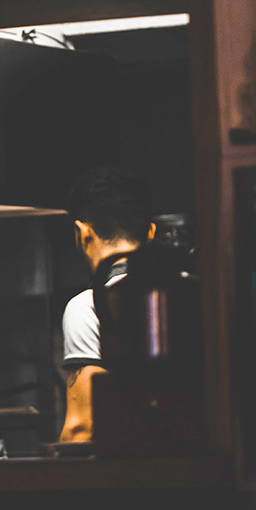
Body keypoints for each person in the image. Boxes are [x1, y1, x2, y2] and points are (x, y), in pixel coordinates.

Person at [58, 165, 155, 443]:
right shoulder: (195, 293)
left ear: (82, 233)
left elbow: (82, 429)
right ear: (150, 232)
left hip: (125, 475)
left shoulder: (89, 306)